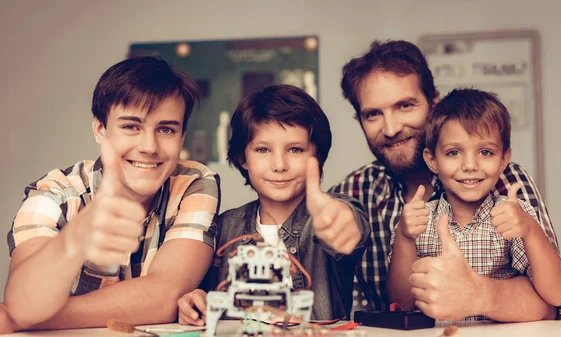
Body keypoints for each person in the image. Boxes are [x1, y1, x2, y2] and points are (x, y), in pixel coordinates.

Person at [329, 40, 561, 321]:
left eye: (405, 105)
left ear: (434, 103)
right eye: (373, 114)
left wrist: (477, 293)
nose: (392, 128)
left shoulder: (502, 181)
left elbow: (553, 305)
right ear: (360, 120)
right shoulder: (352, 194)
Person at [2, 56, 220, 332]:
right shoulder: (55, 192)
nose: (149, 146)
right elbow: (25, 300)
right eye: (131, 127)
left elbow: (164, 297)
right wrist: (77, 236)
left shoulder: (194, 182)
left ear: (181, 137)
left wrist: (28, 317)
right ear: (100, 130)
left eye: (166, 129)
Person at [177, 85, 371, 325]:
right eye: (262, 149)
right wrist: (196, 301)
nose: (279, 165)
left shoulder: (332, 212)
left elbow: (351, 225)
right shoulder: (223, 227)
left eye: (295, 149)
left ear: (317, 156)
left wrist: (342, 221)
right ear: (242, 158)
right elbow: (206, 299)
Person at [388, 88, 561, 321]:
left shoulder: (513, 216)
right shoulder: (420, 222)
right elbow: (401, 304)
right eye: (454, 152)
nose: (470, 165)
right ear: (432, 160)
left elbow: (557, 296)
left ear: (504, 159)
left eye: (485, 152)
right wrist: (404, 238)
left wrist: (530, 230)